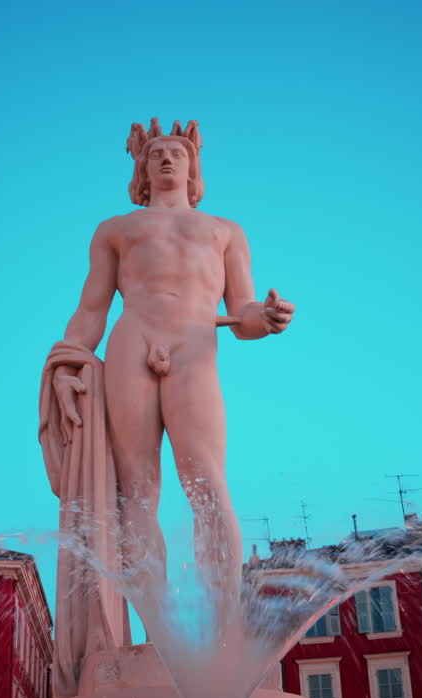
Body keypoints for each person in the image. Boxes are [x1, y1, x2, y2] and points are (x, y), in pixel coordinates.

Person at [52, 118, 295, 607]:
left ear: (192, 168)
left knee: (207, 481)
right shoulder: (116, 230)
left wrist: (267, 318)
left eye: (177, 153)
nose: (167, 158)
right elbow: (92, 309)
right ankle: (159, 630)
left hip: (194, 345)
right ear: (142, 168)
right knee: (136, 489)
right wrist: (67, 362)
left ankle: (226, 627)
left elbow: (242, 313)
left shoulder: (224, 231)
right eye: (157, 153)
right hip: (131, 342)